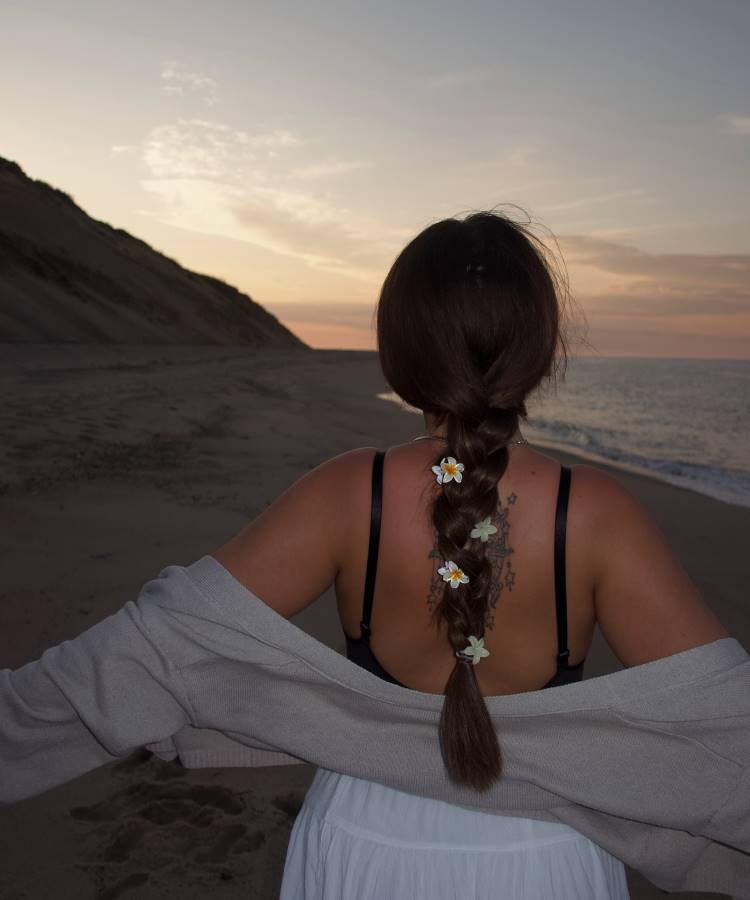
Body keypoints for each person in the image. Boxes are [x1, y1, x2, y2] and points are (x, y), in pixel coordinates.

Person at [207, 209, 730, 899]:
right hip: (546, 857)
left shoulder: (344, 493)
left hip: (362, 846)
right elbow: (724, 721)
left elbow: (174, 648)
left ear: (402, 351)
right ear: (540, 351)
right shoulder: (597, 514)